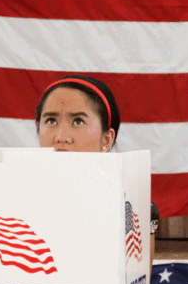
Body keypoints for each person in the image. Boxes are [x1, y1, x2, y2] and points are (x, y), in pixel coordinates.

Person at [35, 75, 159, 266]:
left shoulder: (132, 206)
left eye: (78, 121)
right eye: (51, 121)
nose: (61, 136)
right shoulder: (13, 197)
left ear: (106, 140)